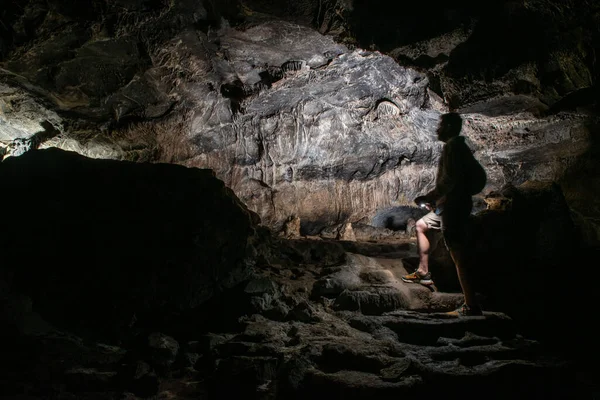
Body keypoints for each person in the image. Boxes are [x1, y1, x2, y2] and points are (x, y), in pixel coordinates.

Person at [401, 112, 485, 317]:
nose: (437, 129)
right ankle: (423, 273)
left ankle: (471, 305)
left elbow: (449, 180)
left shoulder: (453, 147)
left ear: (448, 126)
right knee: (422, 225)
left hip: (455, 206)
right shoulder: (457, 147)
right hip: (450, 204)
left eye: (440, 125)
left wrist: (430, 197)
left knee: (457, 251)